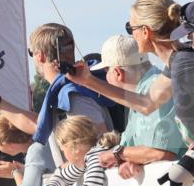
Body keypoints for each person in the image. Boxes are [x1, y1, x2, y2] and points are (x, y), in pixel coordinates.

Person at [0, 23, 112, 165]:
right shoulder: (65, 91)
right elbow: (38, 124)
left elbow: (101, 143)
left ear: (40, 56)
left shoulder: (72, 96)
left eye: (31, 52)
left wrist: (64, 172)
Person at [75, 33, 186, 178]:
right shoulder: (141, 93)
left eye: (106, 71)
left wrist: (115, 154)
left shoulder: (152, 89)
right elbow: (134, 149)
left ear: (117, 73)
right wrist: (127, 160)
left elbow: (162, 154)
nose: (106, 76)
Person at [38, 117, 120, 186]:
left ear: (74, 148)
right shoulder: (86, 158)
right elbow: (62, 176)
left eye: (63, 150)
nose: (65, 156)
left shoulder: (96, 156)